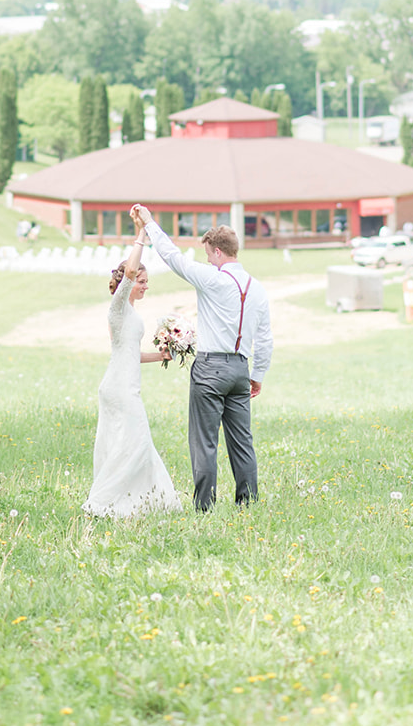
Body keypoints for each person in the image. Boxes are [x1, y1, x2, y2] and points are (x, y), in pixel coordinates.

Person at [131, 204, 273, 511]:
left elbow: (172, 257)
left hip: (210, 368)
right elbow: (265, 339)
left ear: (219, 253)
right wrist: (257, 375)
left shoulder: (213, 278)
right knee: (243, 442)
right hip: (240, 369)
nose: (208, 260)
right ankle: (248, 503)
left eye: (209, 254)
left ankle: (204, 507)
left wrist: (151, 224)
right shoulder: (258, 289)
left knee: (205, 442)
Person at [83, 222, 181, 519]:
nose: (145, 285)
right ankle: (102, 502)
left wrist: (161, 355)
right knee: (136, 442)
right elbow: (129, 273)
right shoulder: (118, 307)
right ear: (129, 281)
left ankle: (143, 500)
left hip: (124, 382)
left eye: (146, 281)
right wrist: (141, 236)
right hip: (119, 387)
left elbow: (130, 354)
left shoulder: (131, 314)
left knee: (130, 442)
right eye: (142, 280)